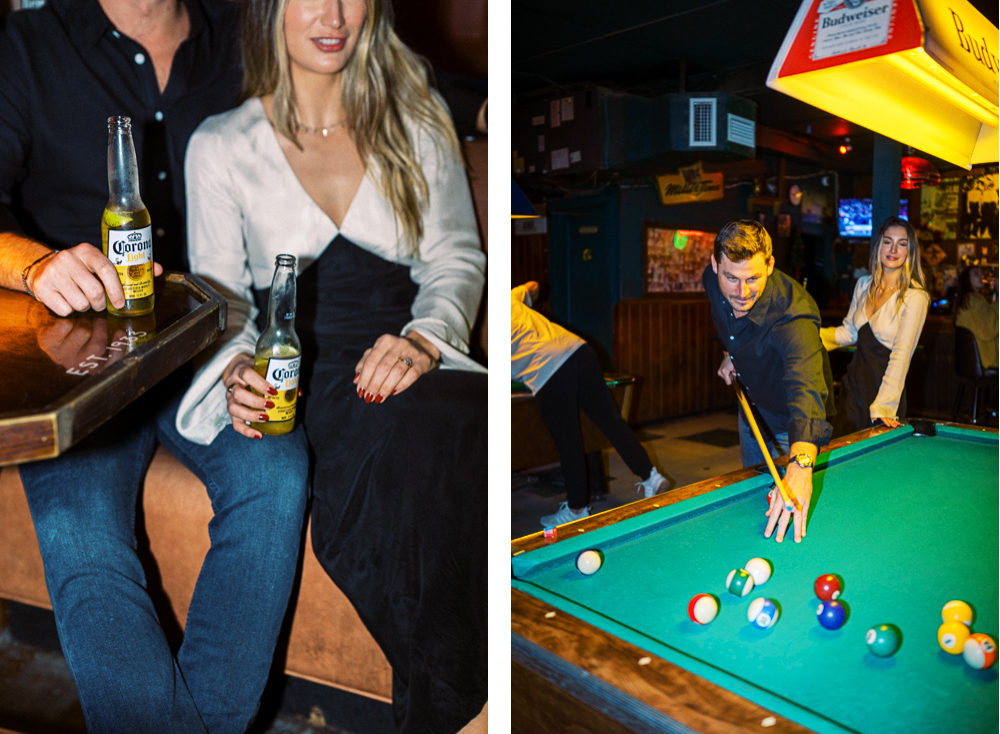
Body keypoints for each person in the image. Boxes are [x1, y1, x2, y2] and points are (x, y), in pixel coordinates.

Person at [0, 0, 311, 732]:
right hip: (82, 362)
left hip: (213, 350)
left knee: (277, 471)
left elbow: (360, 70)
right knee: (83, 534)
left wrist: (480, 105)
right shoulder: (28, 44)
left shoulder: (241, 33)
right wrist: (36, 266)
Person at [177, 0, 488, 730]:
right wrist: (234, 375)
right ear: (267, 11)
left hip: (416, 356)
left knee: (460, 420)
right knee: (408, 445)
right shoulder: (219, 144)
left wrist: (425, 341)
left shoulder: (421, 119)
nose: (333, 13)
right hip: (303, 373)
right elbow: (223, 307)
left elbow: (455, 260)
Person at [705, 220, 832, 545]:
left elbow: (806, 388)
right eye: (731, 278)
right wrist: (730, 351)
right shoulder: (711, 280)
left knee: (791, 502)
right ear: (715, 264)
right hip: (750, 407)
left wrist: (802, 465)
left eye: (753, 279)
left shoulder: (793, 316)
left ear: (770, 265)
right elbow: (725, 319)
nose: (742, 292)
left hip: (790, 424)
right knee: (754, 501)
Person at [511, 281, 667, 527]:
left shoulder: (482, 331)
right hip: (578, 351)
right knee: (611, 422)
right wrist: (527, 296)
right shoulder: (508, 299)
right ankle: (650, 476)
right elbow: (533, 286)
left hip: (548, 371)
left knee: (568, 442)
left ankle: (576, 509)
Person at [821, 217, 929, 431]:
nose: (894, 249)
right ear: (879, 245)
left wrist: (884, 407)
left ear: (910, 251)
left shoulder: (915, 296)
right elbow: (848, 333)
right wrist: (806, 337)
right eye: (888, 241)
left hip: (884, 396)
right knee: (839, 456)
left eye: (902, 244)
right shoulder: (863, 285)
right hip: (852, 389)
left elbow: (902, 354)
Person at [954, 265, 998, 369]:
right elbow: (990, 328)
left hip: (971, 362)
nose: (981, 275)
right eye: (976, 273)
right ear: (966, 279)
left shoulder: (967, 300)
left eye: (980, 273)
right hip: (986, 361)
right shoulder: (973, 300)